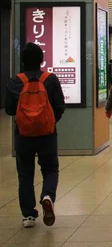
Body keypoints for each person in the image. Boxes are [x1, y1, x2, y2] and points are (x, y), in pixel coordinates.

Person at [4, 43, 65, 229]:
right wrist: (49, 121)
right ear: (42, 60)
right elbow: (60, 106)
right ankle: (47, 196)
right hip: (47, 133)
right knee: (50, 169)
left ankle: (28, 216)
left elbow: (8, 109)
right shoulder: (50, 79)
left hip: (23, 135)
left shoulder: (15, 81)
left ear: (22, 61)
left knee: (25, 174)